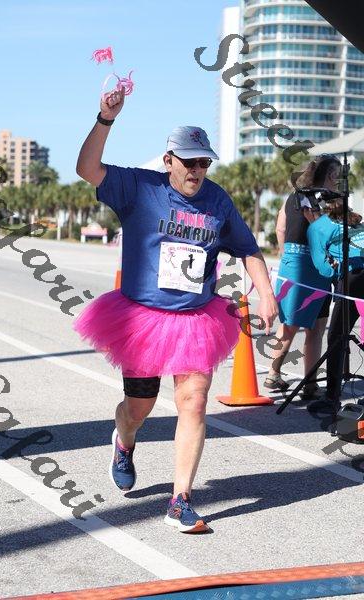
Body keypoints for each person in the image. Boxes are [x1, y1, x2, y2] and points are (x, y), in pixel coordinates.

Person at [74, 86, 278, 533]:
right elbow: (86, 169)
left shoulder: (218, 200)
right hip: (143, 319)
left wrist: (266, 294)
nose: (197, 170)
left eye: (204, 162)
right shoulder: (139, 187)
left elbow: (248, 249)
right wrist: (106, 118)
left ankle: (180, 500)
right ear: (169, 160)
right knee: (139, 408)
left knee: (194, 402)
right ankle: (124, 440)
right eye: (189, 161)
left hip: (196, 318)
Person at [264, 155, 341, 399]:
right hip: (315, 264)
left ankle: (273, 374)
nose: (338, 182)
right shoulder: (326, 199)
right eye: (337, 176)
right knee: (316, 328)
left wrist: (285, 253)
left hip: (291, 262)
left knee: (289, 324)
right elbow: (328, 233)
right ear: (330, 175)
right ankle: (310, 384)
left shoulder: (294, 195)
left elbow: (280, 227)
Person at [307, 198, 364, 406]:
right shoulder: (357, 221)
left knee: (337, 336)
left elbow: (323, 268)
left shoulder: (317, 227)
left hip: (353, 278)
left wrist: (334, 268)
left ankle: (331, 396)